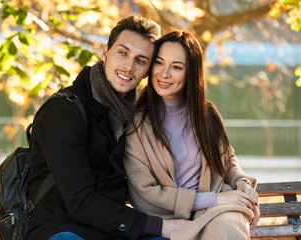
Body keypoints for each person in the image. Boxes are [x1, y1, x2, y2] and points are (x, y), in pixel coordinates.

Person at [26, 16, 186, 240]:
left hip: (108, 230)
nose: (129, 66)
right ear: (105, 53)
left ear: (148, 71)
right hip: (60, 229)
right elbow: (79, 202)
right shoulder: (63, 112)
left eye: (141, 60)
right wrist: (159, 226)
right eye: (123, 52)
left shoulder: (131, 115)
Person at [123, 30, 260, 240]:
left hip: (218, 213)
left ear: (191, 72)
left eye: (176, 67)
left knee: (225, 228)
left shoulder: (206, 115)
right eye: (159, 63)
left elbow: (227, 161)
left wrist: (242, 184)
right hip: (168, 219)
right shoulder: (135, 124)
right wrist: (215, 199)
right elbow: (145, 194)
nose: (164, 73)